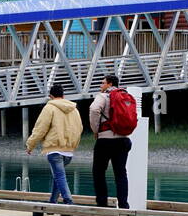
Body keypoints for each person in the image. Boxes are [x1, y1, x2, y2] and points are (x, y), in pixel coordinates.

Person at [26, 84, 83, 204]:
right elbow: (79, 128)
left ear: (50, 96)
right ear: (63, 95)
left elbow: (40, 129)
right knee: (57, 176)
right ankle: (52, 203)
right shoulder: (74, 109)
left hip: (54, 149)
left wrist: (30, 145)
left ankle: (68, 202)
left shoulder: (49, 108)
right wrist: (73, 145)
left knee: (59, 177)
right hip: (69, 151)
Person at [89, 73, 133, 209]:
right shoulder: (126, 96)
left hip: (105, 140)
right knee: (121, 173)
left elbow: (94, 109)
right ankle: (124, 205)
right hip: (123, 140)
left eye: (102, 83)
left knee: (99, 171)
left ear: (109, 84)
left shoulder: (103, 96)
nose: (100, 86)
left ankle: (102, 203)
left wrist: (95, 130)